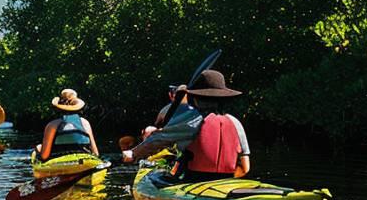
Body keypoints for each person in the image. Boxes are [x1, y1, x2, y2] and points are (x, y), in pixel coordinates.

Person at [122, 70, 250, 180]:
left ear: (195, 97)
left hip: (192, 180)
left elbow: (159, 139)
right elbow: (245, 167)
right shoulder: (235, 122)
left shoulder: (191, 120)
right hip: (225, 182)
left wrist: (133, 154)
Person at [37, 88, 99, 161]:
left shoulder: (52, 125)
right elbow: (95, 153)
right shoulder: (85, 123)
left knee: (39, 147)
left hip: (59, 163)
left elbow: (44, 156)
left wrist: (38, 151)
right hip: (83, 161)